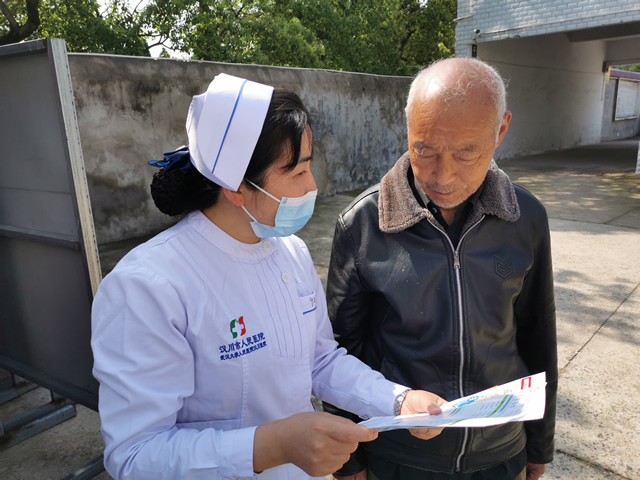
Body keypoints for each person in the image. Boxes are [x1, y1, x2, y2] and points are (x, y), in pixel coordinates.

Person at [90, 73, 446, 480]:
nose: (312, 186)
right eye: (296, 173)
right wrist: (270, 446)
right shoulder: (148, 287)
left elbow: (320, 361)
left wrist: (398, 401)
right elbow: (135, 455)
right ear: (235, 188)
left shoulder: (289, 252)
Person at [325, 58, 558, 480]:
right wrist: (349, 459)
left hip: (500, 450)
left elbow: (538, 336)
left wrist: (540, 443)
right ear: (408, 129)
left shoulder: (527, 217)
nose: (444, 175)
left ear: (500, 131)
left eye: (467, 152)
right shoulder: (362, 224)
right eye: (425, 150)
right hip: (398, 456)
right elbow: (341, 351)